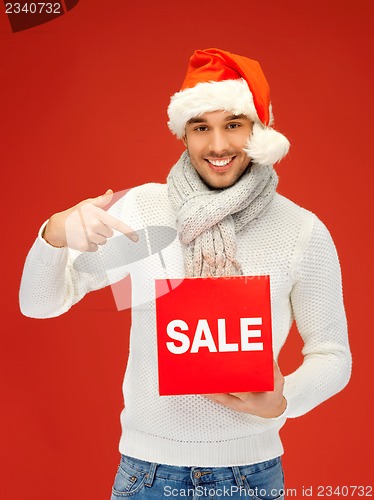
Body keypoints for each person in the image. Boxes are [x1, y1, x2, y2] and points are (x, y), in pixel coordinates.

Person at [19, 48, 352, 499]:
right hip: (146, 477)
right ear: (184, 134)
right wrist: (54, 233)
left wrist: (285, 398)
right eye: (202, 128)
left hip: (250, 476)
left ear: (258, 130)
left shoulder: (301, 230)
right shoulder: (143, 212)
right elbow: (38, 304)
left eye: (233, 124)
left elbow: (333, 355)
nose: (217, 146)